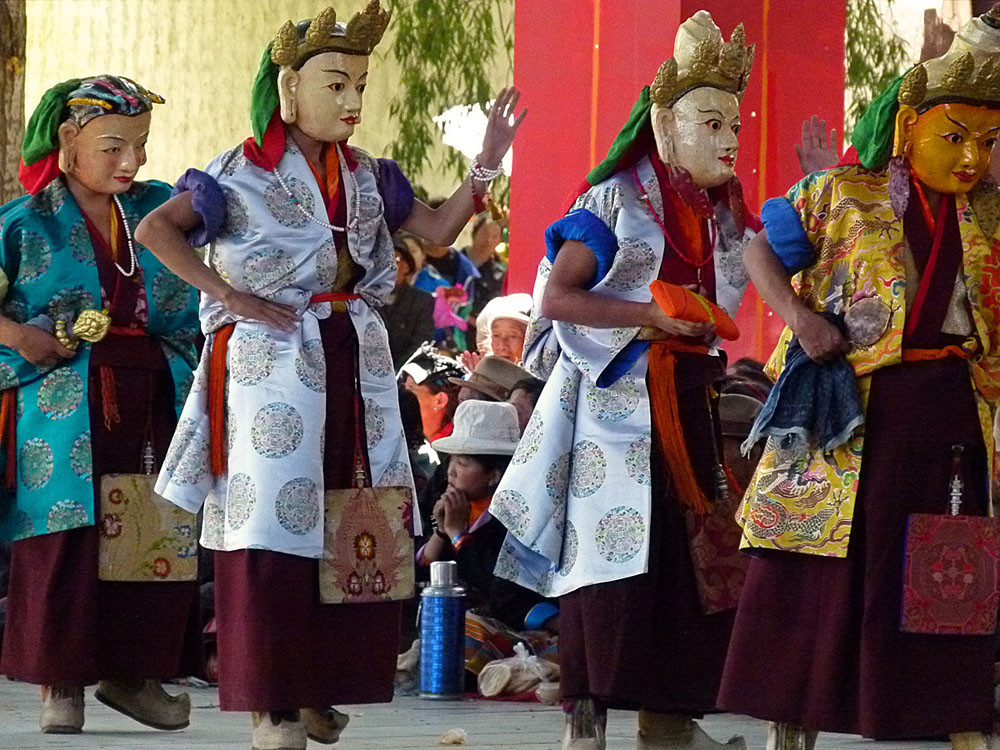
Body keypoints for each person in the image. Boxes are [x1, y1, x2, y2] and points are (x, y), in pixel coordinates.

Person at [135, 5, 524, 747]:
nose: (352, 102)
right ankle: (271, 704)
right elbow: (158, 229)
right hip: (270, 361)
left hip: (353, 355)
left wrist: (489, 160)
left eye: (361, 87)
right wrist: (226, 295)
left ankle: (318, 687)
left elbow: (439, 235)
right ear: (288, 88)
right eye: (336, 84)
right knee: (272, 527)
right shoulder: (238, 171)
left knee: (353, 522)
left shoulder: (371, 175)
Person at [718, 8, 1000, 749]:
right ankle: (794, 719)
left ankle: (955, 716)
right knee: (820, 564)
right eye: (955, 136)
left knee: (948, 559)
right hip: (846, 405)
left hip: (948, 406)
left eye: (987, 141)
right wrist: (800, 320)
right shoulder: (842, 192)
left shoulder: (991, 215)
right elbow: (757, 253)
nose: (972, 157)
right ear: (908, 129)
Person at [489, 11, 757, 750]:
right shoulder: (614, 202)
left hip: (687, 400)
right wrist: (649, 317)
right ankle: (587, 720)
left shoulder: (719, 213)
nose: (730, 140)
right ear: (667, 130)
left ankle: (669, 720)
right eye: (711, 124)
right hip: (613, 408)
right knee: (607, 565)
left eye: (734, 123)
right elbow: (558, 299)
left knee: (687, 564)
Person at [0, 76, 200, 734]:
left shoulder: (157, 209)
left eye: (139, 146)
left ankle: (133, 676)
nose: (131, 162)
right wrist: (20, 336)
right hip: (60, 401)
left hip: (153, 389)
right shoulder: (25, 221)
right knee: (66, 539)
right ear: (67, 140)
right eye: (114, 146)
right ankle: (62, 687)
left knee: (150, 533)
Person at [417, 400, 555, 676]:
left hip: (516, 611)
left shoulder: (518, 511)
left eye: (464, 463)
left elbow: (498, 584)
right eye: (451, 462)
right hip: (475, 609)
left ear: (494, 475)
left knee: (466, 633)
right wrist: (443, 532)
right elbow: (419, 568)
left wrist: (458, 535)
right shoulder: (444, 492)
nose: (451, 472)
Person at [382, 240, 435, 369]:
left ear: (406, 267)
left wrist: (396, 371)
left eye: (395, 259)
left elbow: (421, 343)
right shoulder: (364, 296)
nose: (388, 265)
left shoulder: (421, 301)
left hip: (401, 372)